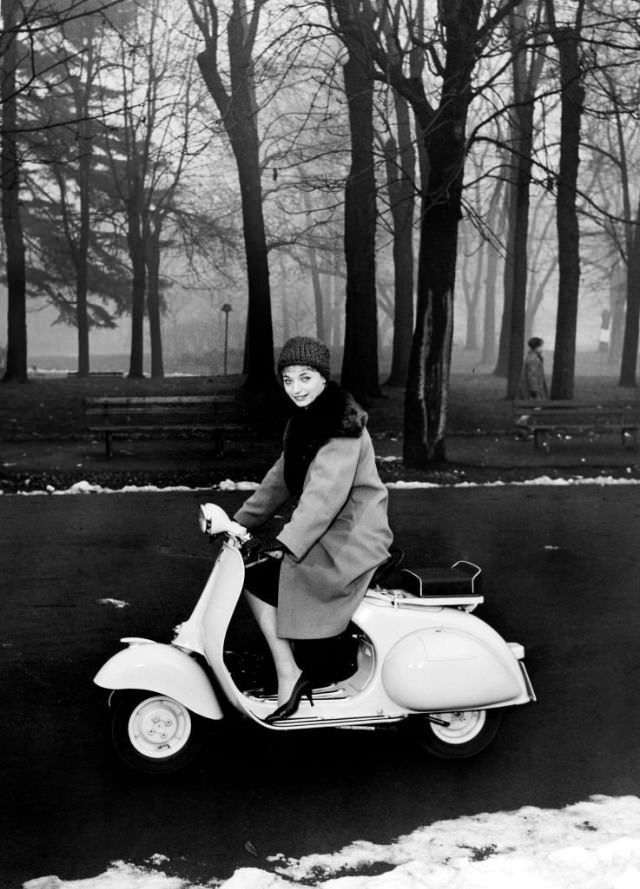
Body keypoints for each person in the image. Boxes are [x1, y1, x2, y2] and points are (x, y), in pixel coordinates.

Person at [233, 336, 393, 723]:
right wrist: (239, 522)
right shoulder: (306, 421)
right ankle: (294, 664)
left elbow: (324, 497)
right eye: (288, 381)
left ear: (323, 378)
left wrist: (287, 543)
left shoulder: (341, 425)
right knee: (254, 573)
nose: (296, 388)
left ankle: (291, 671)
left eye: (305, 377)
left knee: (260, 578)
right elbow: (280, 478)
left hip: (352, 537)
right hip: (328, 532)